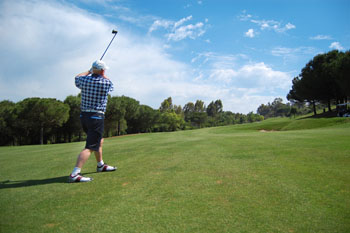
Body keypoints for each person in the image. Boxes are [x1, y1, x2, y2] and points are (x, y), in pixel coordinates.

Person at [68, 60, 116, 183]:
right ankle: (75, 174)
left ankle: (100, 165)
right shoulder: (105, 82)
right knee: (90, 147)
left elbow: (77, 77)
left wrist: (89, 71)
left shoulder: (84, 80)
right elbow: (111, 84)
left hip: (84, 116)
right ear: (102, 70)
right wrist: (102, 73)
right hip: (96, 117)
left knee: (99, 140)